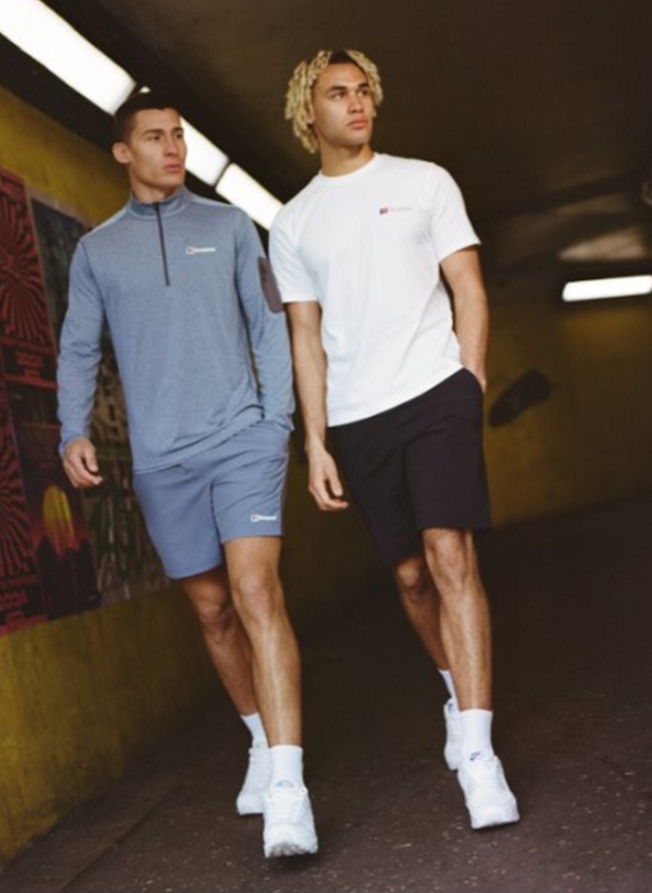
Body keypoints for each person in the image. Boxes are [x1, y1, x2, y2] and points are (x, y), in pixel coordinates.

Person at [57, 91, 317, 858]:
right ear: (122, 152)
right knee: (213, 612)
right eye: (154, 137)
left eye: (178, 135)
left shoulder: (229, 226)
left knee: (255, 591)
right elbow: (78, 347)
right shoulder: (97, 252)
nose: (173, 148)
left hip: (242, 440)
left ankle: (288, 788)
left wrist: (275, 423)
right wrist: (72, 429)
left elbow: (268, 322)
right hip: (162, 460)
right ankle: (259, 739)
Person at [269, 49, 519, 830]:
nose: (357, 103)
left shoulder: (424, 182)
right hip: (357, 415)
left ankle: (477, 754)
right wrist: (315, 442)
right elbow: (304, 337)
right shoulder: (293, 221)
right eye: (337, 93)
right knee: (410, 577)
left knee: (449, 554)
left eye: (364, 91)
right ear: (308, 113)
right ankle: (455, 691)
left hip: (435, 391)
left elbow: (467, 286)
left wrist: (469, 381)